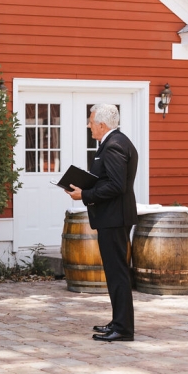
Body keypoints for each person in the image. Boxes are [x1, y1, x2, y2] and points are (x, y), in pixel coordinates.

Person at [68, 103, 138, 342]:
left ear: (102, 124)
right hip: (113, 217)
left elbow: (117, 186)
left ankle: (123, 329)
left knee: (117, 272)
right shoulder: (116, 142)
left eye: (91, 122)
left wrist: (85, 195)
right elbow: (110, 180)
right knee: (115, 272)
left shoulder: (114, 146)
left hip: (114, 218)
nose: (89, 126)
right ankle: (118, 322)